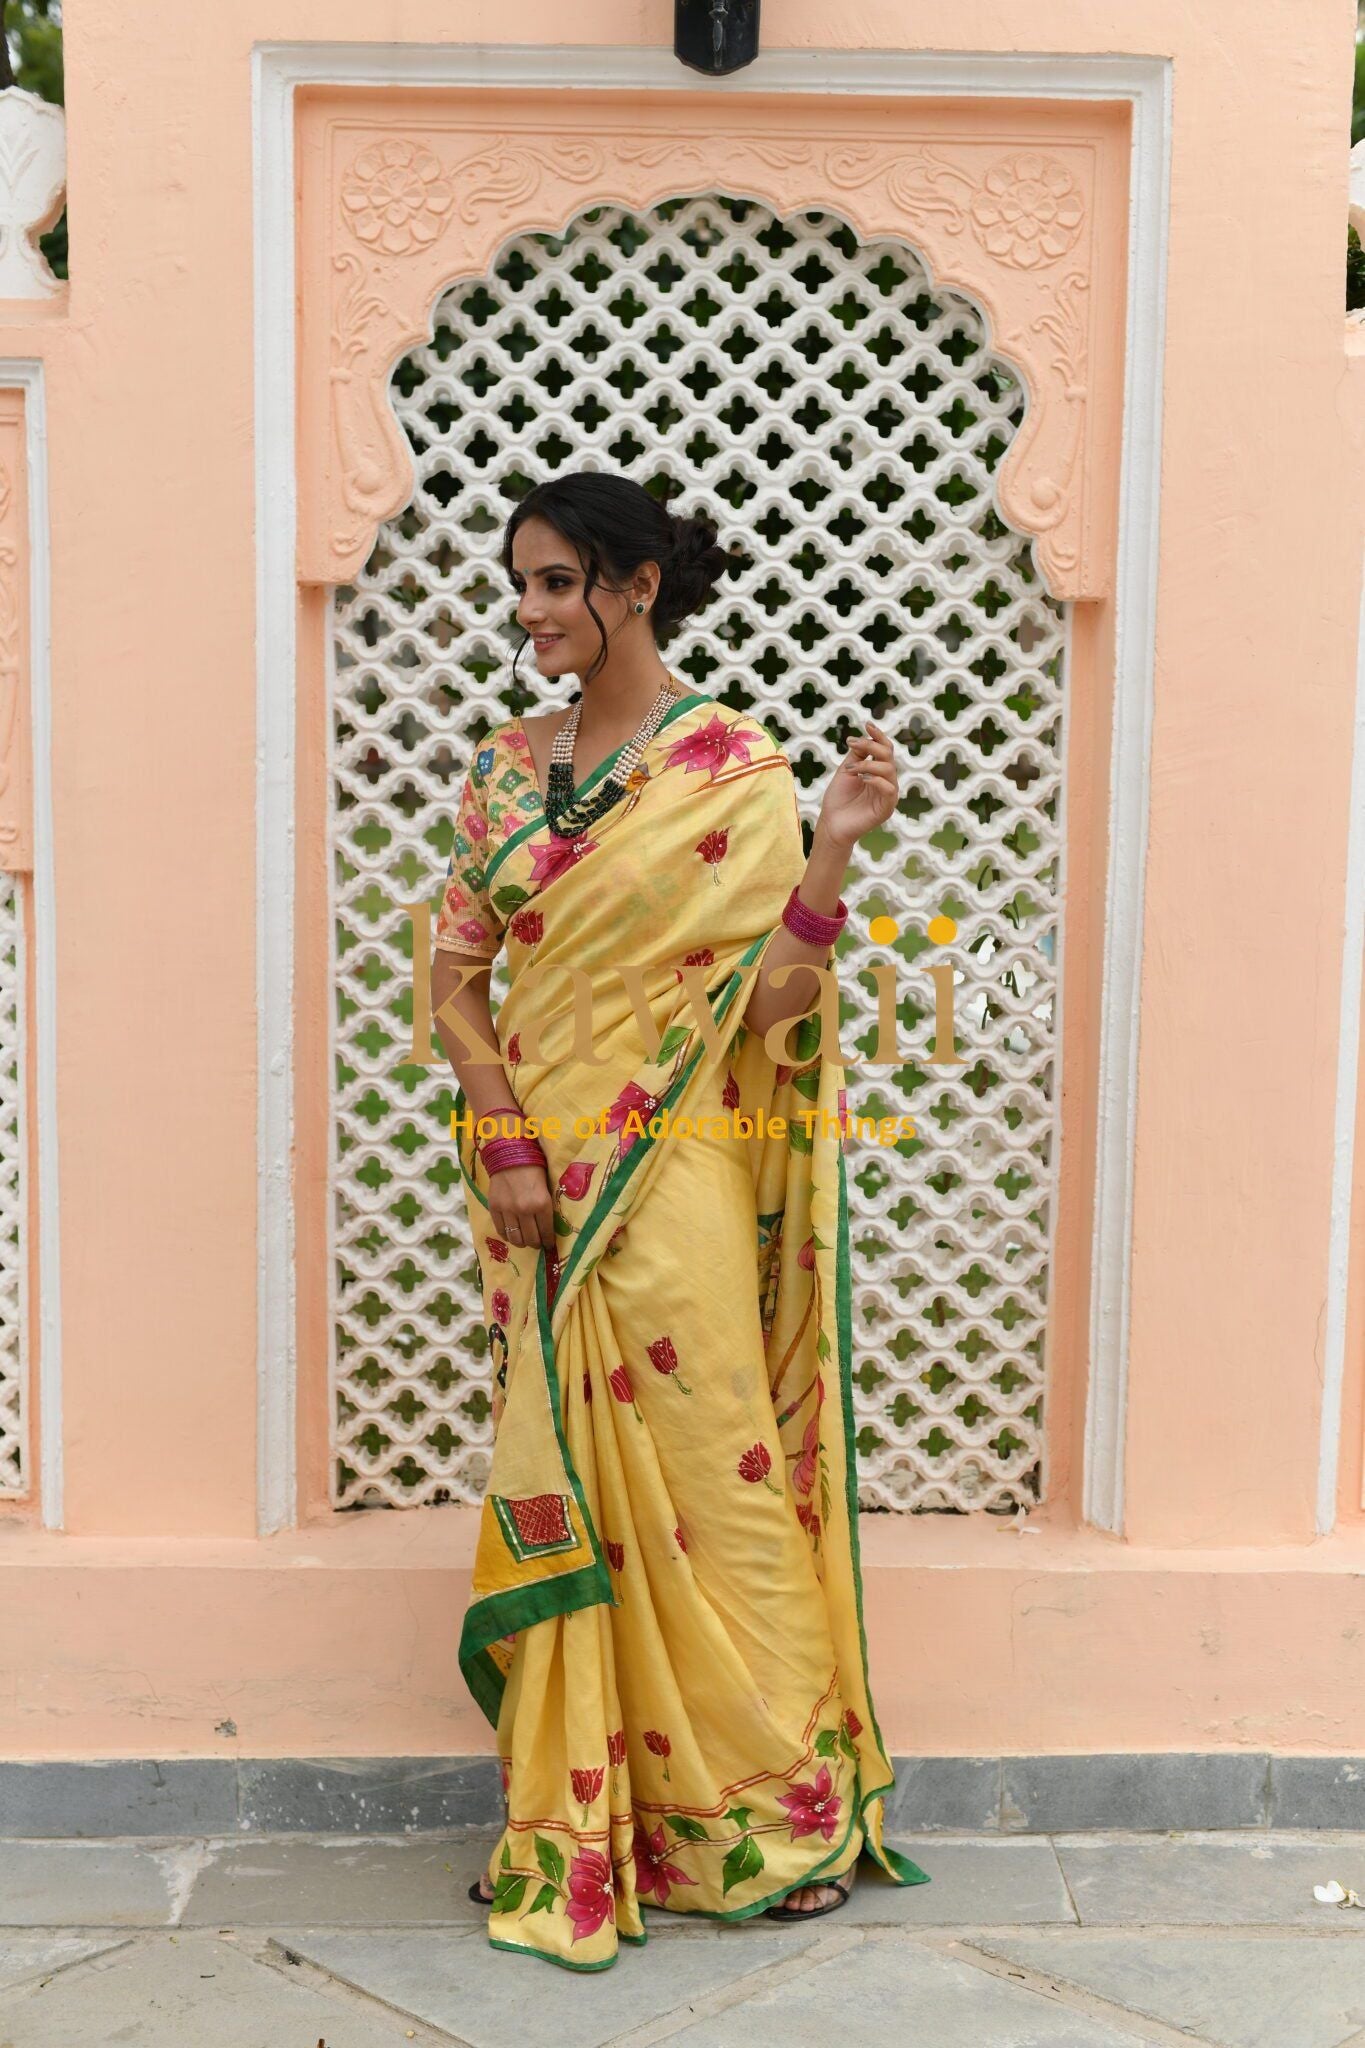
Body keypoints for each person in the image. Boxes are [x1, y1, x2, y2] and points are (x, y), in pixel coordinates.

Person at [430, 469, 931, 1972]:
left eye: (554, 581)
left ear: (635, 586)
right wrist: (506, 1134)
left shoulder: (733, 771)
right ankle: (576, 1822)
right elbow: (455, 981)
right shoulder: (502, 773)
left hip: (678, 1172)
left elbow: (774, 1012)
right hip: (539, 1183)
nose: (526, 610)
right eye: (519, 583)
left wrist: (832, 846)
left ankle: (769, 1820)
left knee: (722, 1482)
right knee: (569, 1470)